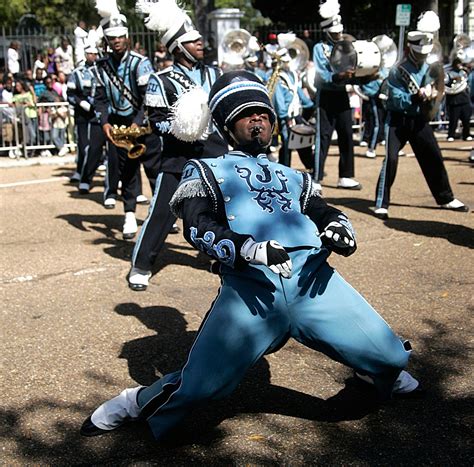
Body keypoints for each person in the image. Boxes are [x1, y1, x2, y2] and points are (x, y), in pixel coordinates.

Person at [80, 69, 422, 441]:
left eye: (264, 113)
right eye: (246, 113)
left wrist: (340, 226)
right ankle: (135, 402)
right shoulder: (204, 170)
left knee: (390, 357)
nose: (257, 118)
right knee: (201, 387)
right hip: (252, 288)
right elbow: (197, 225)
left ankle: (367, 366)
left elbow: (323, 211)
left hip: (313, 280)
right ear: (227, 126)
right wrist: (247, 247)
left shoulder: (294, 175)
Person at [127, 0, 228, 291]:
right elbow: (156, 120)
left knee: (225, 208)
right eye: (193, 41)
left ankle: (223, 253)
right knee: (162, 211)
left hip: (214, 152)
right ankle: (142, 264)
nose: (200, 43)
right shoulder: (161, 80)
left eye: (199, 39)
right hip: (178, 154)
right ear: (178, 47)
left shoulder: (214, 72)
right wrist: (183, 127)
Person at [372, 11, 469, 219]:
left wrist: (434, 93)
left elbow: (439, 88)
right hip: (397, 121)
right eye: (421, 52)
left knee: (433, 157)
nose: (424, 55)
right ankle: (381, 203)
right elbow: (393, 98)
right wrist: (416, 96)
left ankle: (445, 198)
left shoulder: (429, 67)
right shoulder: (397, 69)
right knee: (391, 160)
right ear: (412, 48)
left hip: (418, 119)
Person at [94, 0, 161, 238]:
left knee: (154, 171)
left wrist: (138, 121)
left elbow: (148, 98)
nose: (116, 41)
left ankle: (162, 214)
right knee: (127, 172)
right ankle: (129, 215)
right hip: (120, 128)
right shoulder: (101, 67)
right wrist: (104, 123)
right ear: (107, 40)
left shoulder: (140, 63)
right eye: (112, 37)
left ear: (127, 37)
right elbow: (100, 98)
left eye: (120, 36)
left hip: (144, 127)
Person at [312, 0, 362, 191]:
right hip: (325, 96)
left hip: (342, 95)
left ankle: (346, 175)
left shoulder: (345, 46)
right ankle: (316, 177)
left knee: (346, 134)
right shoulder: (319, 49)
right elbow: (319, 76)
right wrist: (337, 75)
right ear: (326, 31)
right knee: (323, 137)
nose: (338, 34)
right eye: (334, 32)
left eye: (339, 31)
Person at [67, 43, 106, 191]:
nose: (93, 56)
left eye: (95, 53)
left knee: (95, 145)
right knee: (83, 144)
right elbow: (70, 93)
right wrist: (81, 103)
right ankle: (80, 171)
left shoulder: (101, 71)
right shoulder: (77, 72)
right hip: (83, 113)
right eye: (90, 53)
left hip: (98, 111)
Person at [271, 46, 315, 169]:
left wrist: (310, 105)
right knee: (287, 143)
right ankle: (284, 168)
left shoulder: (293, 75)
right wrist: (284, 116)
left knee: (304, 141)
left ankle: (311, 165)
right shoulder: (277, 77)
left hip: (296, 113)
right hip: (287, 115)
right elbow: (279, 100)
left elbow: (298, 91)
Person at [358, 66, 389, 158]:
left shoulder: (383, 69)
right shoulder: (367, 69)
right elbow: (364, 86)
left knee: (386, 123)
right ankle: (371, 148)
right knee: (377, 124)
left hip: (383, 98)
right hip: (374, 98)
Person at [445, 57, 472, 142]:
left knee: (466, 119)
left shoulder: (464, 73)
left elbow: (467, 82)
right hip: (454, 99)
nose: (459, 65)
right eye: (457, 64)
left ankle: (466, 134)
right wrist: (453, 80)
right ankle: (451, 135)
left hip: (464, 99)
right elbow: (445, 83)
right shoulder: (449, 73)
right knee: (453, 119)